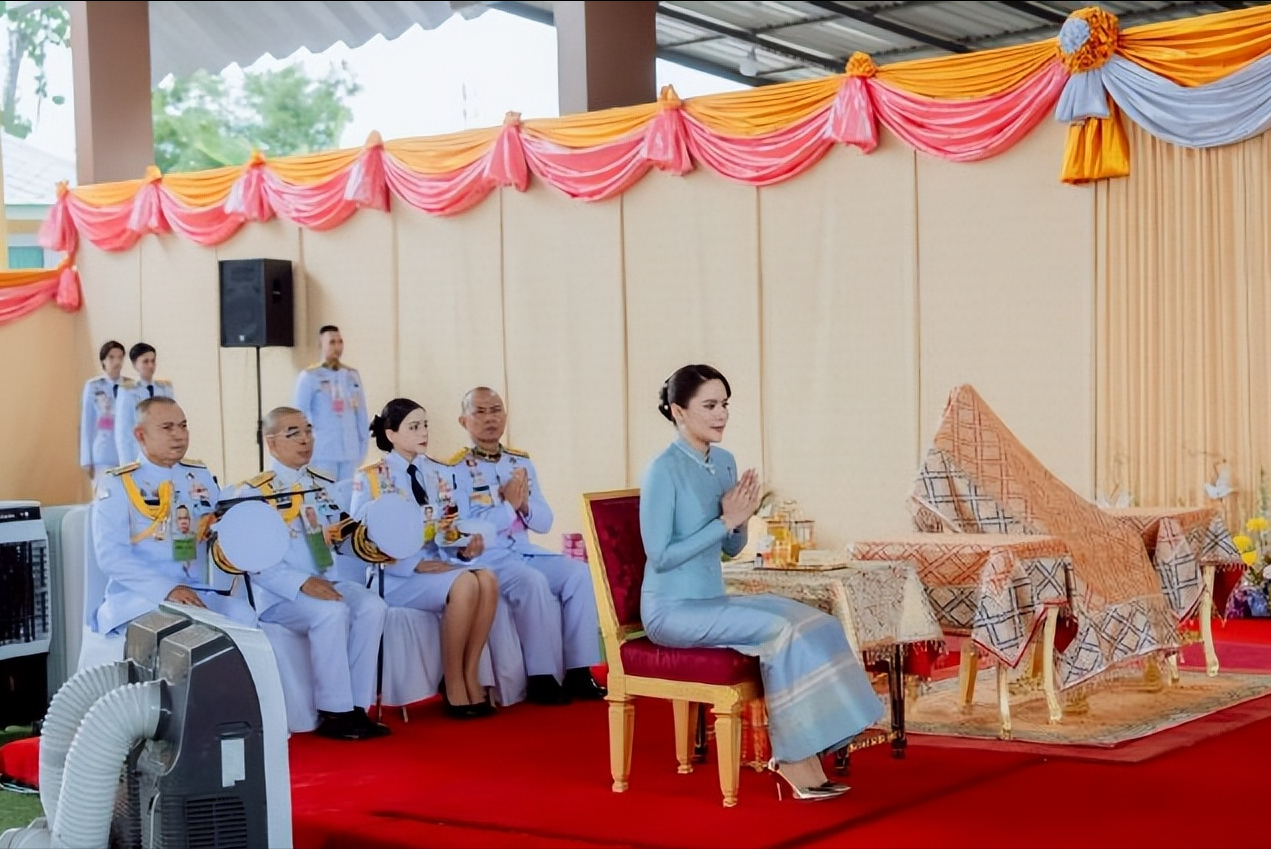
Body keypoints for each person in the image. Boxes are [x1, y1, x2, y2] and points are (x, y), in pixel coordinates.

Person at [639, 365, 883, 801]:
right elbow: (660, 555)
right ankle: (791, 758)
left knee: (818, 621)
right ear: (678, 411)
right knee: (782, 630)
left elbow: (731, 548)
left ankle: (820, 743)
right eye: (709, 405)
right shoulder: (663, 470)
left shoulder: (724, 462)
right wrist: (724, 521)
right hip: (672, 610)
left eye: (725, 404)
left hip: (712, 600)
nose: (721, 414)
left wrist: (740, 521)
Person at [229, 406, 390, 740]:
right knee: (332, 612)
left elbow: (343, 536)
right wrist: (302, 583)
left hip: (326, 581)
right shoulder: (254, 493)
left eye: (308, 431)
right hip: (280, 594)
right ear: (271, 443)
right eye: (294, 434)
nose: (305, 440)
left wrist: (374, 543)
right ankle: (335, 711)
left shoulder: (321, 485)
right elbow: (253, 562)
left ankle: (357, 705)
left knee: (373, 606)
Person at [350, 398, 502, 718]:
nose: (423, 433)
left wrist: (462, 548)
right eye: (414, 427)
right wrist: (412, 564)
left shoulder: (436, 473)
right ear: (391, 434)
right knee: (465, 584)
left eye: (425, 426)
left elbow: (445, 526)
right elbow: (360, 541)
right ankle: (453, 684)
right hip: (392, 575)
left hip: (435, 565)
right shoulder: (370, 479)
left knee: (487, 579)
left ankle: (470, 674)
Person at [453, 386, 605, 704]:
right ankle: (542, 677)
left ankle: (579, 671)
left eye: (496, 410)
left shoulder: (519, 461)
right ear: (463, 421)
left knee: (579, 574)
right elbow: (464, 527)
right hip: (488, 558)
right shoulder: (455, 469)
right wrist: (509, 507)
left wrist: (523, 505)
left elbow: (544, 521)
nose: (490, 418)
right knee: (532, 582)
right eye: (480, 411)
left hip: (524, 550)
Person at [91, 397, 257, 638]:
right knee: (189, 633)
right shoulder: (118, 484)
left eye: (183, 426)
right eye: (167, 427)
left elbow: (218, 531)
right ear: (140, 435)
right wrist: (167, 589)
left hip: (199, 592)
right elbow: (111, 556)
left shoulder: (199, 475)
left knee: (245, 616)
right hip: (141, 597)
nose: (179, 435)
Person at [292, 326, 368, 481]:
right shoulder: (310, 376)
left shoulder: (351, 375)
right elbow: (299, 414)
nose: (337, 347)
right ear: (321, 345)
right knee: (325, 491)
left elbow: (361, 413)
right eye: (332, 342)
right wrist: (302, 447)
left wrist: (363, 444)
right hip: (323, 450)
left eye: (340, 342)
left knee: (347, 492)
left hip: (350, 449)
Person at [80, 340, 134, 481]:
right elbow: (87, 424)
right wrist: (86, 459)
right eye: (111, 357)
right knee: (104, 490)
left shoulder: (130, 385)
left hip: (128, 453)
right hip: (103, 451)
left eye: (120, 357)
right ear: (103, 360)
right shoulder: (94, 386)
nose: (116, 362)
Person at [115, 343, 176, 464]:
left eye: (153, 361)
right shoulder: (128, 392)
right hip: (139, 453)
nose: (150, 365)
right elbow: (124, 430)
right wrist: (126, 463)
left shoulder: (165, 388)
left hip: (163, 451)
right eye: (145, 362)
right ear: (135, 364)